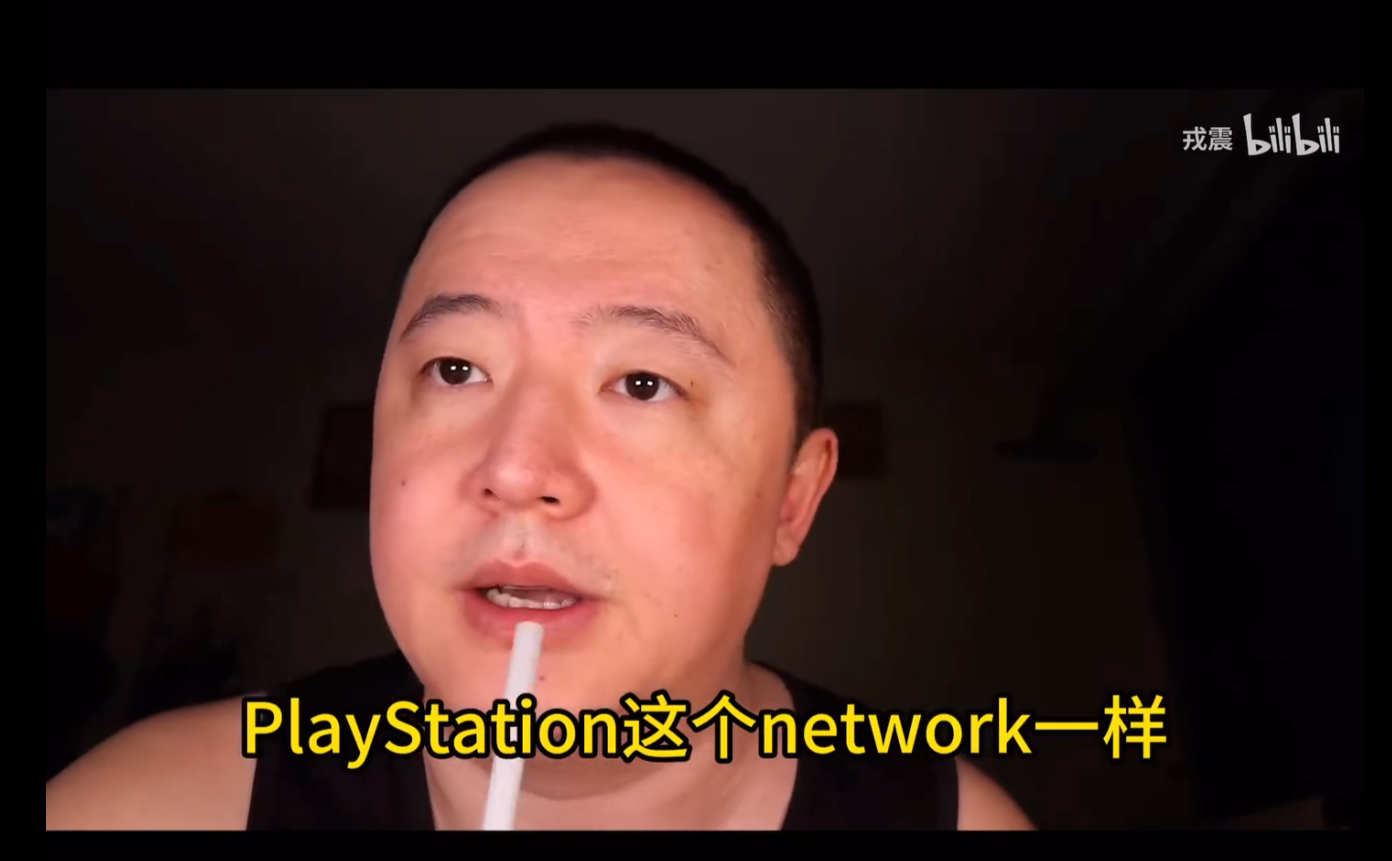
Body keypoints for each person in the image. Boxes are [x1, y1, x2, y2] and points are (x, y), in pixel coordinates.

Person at [46, 123, 1033, 830]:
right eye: (457, 369)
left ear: (793, 499)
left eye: (642, 383)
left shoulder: (948, 818)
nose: (517, 470)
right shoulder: (158, 803)